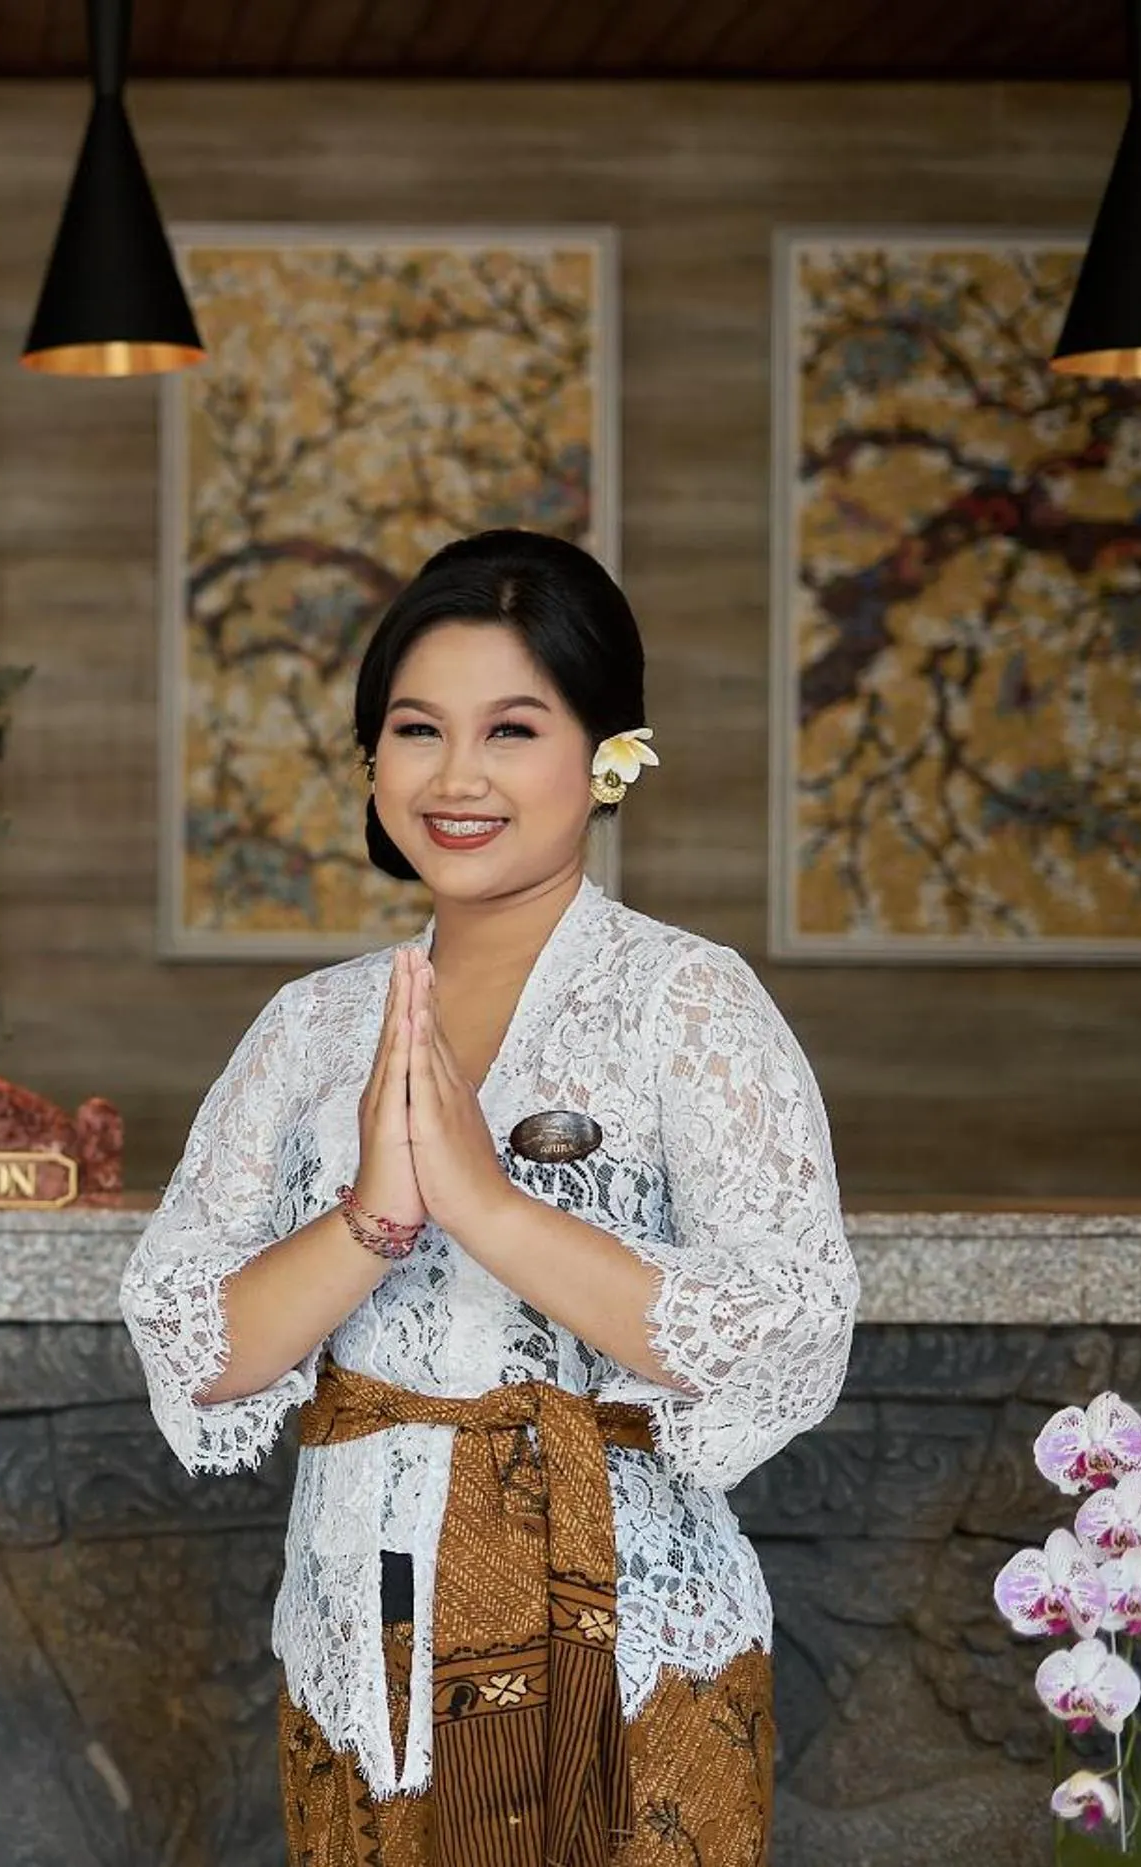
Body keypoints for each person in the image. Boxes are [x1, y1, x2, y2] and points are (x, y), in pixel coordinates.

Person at [120, 530, 857, 1865]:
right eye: (418, 729)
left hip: (632, 1653)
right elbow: (199, 1345)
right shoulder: (310, 1027)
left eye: (513, 728)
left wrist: (491, 1204)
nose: (457, 776)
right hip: (361, 1645)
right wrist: (372, 1222)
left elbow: (785, 1325)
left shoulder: (686, 1001)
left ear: (606, 754)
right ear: (371, 760)